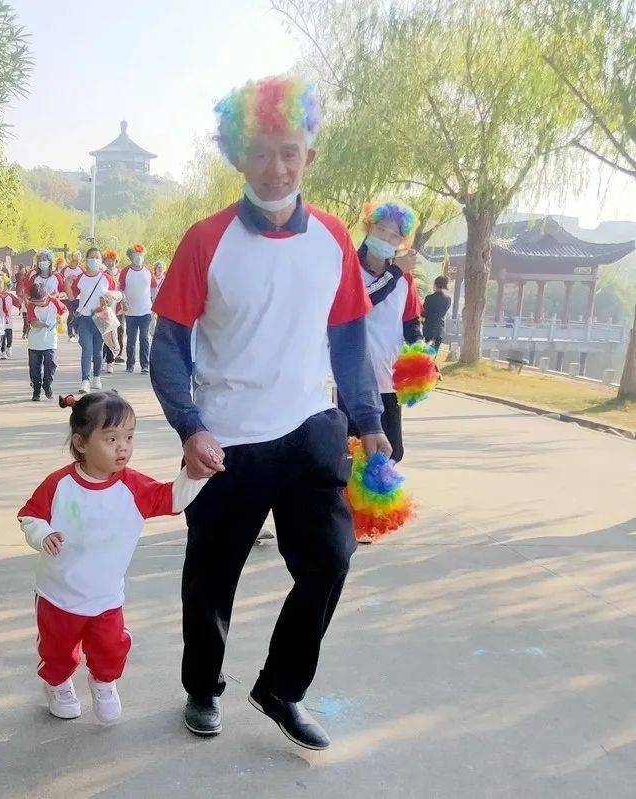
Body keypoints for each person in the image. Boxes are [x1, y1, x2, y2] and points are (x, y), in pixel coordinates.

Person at [150, 75, 389, 749]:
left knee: (331, 559)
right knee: (210, 579)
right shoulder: (206, 239)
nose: (276, 167)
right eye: (260, 151)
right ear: (237, 155)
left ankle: (282, 688)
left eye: (289, 151)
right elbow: (168, 343)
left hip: (312, 430)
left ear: (309, 154)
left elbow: (348, 336)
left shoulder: (333, 237)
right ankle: (202, 686)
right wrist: (189, 424)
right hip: (226, 442)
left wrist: (368, 420)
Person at [17, 392, 207, 724]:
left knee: (110, 647)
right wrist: (42, 534)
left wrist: (196, 473)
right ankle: (58, 684)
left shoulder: (134, 487)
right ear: (81, 443)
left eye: (129, 437)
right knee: (56, 649)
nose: (123, 447)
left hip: (106, 596)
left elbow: (172, 499)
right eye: (111, 439)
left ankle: (104, 682)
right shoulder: (59, 484)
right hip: (58, 595)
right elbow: (30, 515)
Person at [339, 201, 423, 465]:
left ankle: (379, 494)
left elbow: (411, 322)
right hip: (352, 381)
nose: (386, 237)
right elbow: (362, 302)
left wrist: (422, 356)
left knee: (391, 453)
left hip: (388, 381)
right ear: (368, 228)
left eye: (394, 235)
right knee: (353, 453)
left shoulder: (405, 280)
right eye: (381, 229)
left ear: (401, 242)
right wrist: (395, 271)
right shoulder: (348, 268)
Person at [67, 247, 119, 393]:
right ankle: (85, 380)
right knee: (87, 350)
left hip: (100, 319)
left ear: (101, 260)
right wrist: (66, 284)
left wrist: (108, 301)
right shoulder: (81, 278)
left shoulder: (106, 278)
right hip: (84, 319)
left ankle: (96, 377)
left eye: (97, 257)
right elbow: (71, 297)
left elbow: (115, 296)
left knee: (97, 350)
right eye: (92, 257)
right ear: (86, 259)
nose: (94, 260)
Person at [119, 243, 157, 374]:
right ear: (131, 256)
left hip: (146, 311)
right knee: (131, 339)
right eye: (136, 255)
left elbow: (153, 288)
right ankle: (130, 364)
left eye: (141, 255)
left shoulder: (148, 271)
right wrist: (123, 301)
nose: (138, 257)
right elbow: (121, 289)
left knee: (144, 338)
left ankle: (145, 365)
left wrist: (155, 304)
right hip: (130, 312)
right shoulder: (125, 271)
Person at [25, 283, 67, 401]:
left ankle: (47, 384)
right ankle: (36, 390)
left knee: (51, 363)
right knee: (34, 367)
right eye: (36, 301)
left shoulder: (54, 301)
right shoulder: (31, 306)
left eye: (42, 300)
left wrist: (62, 319)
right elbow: (33, 323)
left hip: (50, 340)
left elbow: (65, 311)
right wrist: (45, 324)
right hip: (35, 341)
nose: (40, 304)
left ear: (47, 295)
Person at [102, 249, 126, 370]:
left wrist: (124, 302)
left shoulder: (121, 274)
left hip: (118, 308)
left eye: (112, 260)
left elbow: (124, 289)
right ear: (104, 262)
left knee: (119, 331)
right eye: (108, 260)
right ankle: (106, 359)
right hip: (106, 309)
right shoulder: (102, 275)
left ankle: (116, 355)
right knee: (107, 333)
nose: (110, 263)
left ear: (116, 261)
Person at [423, 275, 452, 352]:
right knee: (434, 351)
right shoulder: (448, 299)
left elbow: (424, 313)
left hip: (428, 327)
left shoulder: (429, 298)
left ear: (435, 284)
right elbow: (443, 312)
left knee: (427, 352)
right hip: (439, 327)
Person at [61, 252, 85, 341]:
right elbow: (61, 282)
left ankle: (77, 331)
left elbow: (85, 281)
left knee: (77, 315)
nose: (77, 262)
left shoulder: (81, 269)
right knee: (70, 315)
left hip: (78, 297)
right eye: (75, 261)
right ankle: (70, 333)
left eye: (78, 261)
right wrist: (67, 280)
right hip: (68, 297)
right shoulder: (65, 270)